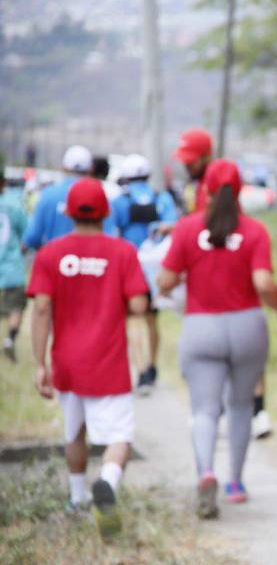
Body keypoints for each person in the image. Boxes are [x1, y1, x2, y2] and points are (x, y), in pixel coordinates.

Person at [157, 159, 277, 519]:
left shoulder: (187, 228)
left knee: (205, 410)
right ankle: (236, 483)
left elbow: (165, 281)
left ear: (205, 190)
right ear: (240, 190)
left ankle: (205, 472)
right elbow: (262, 283)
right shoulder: (254, 231)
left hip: (202, 327)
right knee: (241, 406)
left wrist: (181, 279)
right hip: (247, 326)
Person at [27, 178, 150, 538]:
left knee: (74, 429)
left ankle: (77, 498)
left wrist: (40, 363)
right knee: (120, 436)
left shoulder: (50, 254)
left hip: (66, 360)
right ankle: (108, 482)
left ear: (67, 212)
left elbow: (41, 308)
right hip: (108, 361)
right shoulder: (123, 252)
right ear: (106, 212)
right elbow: (140, 304)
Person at [111, 154, 179, 394]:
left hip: (130, 271)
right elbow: (175, 226)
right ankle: (152, 366)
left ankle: (140, 370)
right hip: (156, 272)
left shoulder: (120, 202)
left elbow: (112, 234)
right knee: (152, 319)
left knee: (134, 319)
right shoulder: (162, 198)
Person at [23, 145, 115, 250]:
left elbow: (33, 237)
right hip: (93, 262)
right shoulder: (100, 194)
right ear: (91, 168)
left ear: (64, 167)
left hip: (54, 261)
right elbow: (109, 236)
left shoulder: (48, 195)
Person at [1, 172, 27, 362]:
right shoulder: (15, 205)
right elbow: (27, 235)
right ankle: (10, 338)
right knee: (16, 306)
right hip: (11, 265)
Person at [174, 129, 215, 212]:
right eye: (185, 160)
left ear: (206, 157)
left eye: (191, 161)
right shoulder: (198, 183)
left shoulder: (215, 187)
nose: (186, 165)